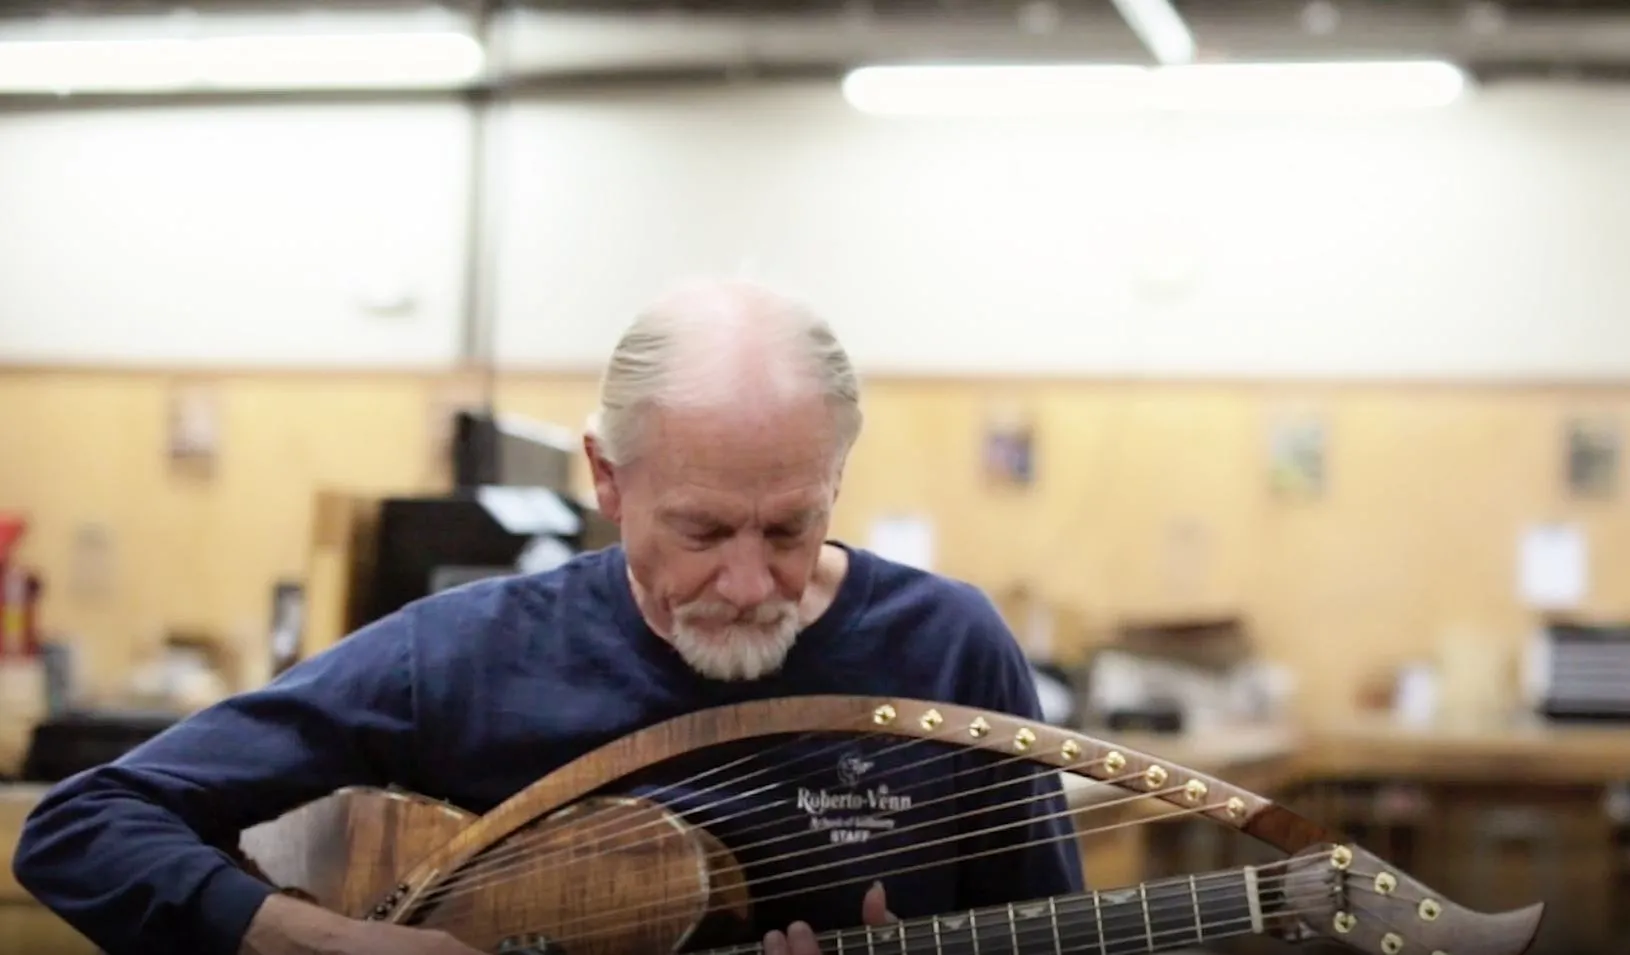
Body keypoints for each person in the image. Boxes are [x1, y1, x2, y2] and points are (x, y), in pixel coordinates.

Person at [11, 278, 1084, 955]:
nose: (752, 582)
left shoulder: (948, 650)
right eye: (703, 530)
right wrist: (312, 939)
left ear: (837, 476)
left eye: (791, 526)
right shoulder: (463, 654)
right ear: (606, 477)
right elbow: (85, 826)